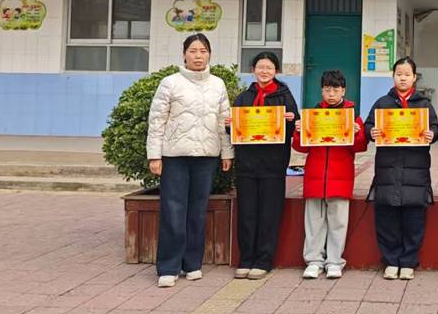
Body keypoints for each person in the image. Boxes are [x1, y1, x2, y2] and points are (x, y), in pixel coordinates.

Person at [146, 34, 233, 288]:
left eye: (203, 51)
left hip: (206, 157)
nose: (198, 56)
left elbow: (224, 121)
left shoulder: (218, 84)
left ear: (209, 54)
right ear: (184, 54)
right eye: (193, 51)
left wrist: (227, 153)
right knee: (173, 211)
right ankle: (168, 267)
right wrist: (154, 155)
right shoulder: (170, 83)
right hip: (175, 157)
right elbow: (157, 120)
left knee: (197, 211)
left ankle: (192, 264)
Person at [364, 56, 438, 281]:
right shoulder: (382, 103)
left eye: (407, 74)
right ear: (393, 76)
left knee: (414, 218)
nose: (403, 78)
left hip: (416, 170)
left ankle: (408, 261)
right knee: (386, 216)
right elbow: (369, 125)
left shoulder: (424, 105)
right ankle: (390, 261)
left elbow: (436, 128)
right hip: (387, 169)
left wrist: (432, 134)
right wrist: (372, 132)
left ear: (414, 77)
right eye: (399, 74)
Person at [230, 52, 298, 281]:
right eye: (261, 67)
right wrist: (230, 125)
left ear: (276, 71)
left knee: (270, 213)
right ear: (253, 70)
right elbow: (235, 131)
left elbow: (295, 128)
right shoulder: (244, 97)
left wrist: (291, 120)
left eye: (269, 68)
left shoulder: (284, 96)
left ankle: (264, 261)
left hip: (273, 164)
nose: (265, 71)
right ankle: (246, 259)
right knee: (247, 212)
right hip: (247, 164)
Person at [292, 69, 367, 280]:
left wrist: (357, 133)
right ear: (321, 91)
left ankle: (334, 261)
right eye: (326, 89)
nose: (331, 94)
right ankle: (314, 261)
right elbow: (301, 147)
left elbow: (360, 147)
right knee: (313, 222)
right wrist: (298, 131)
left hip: (340, 176)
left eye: (335, 89)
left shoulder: (353, 117)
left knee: (338, 222)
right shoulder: (313, 115)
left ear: (343, 90)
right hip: (315, 176)